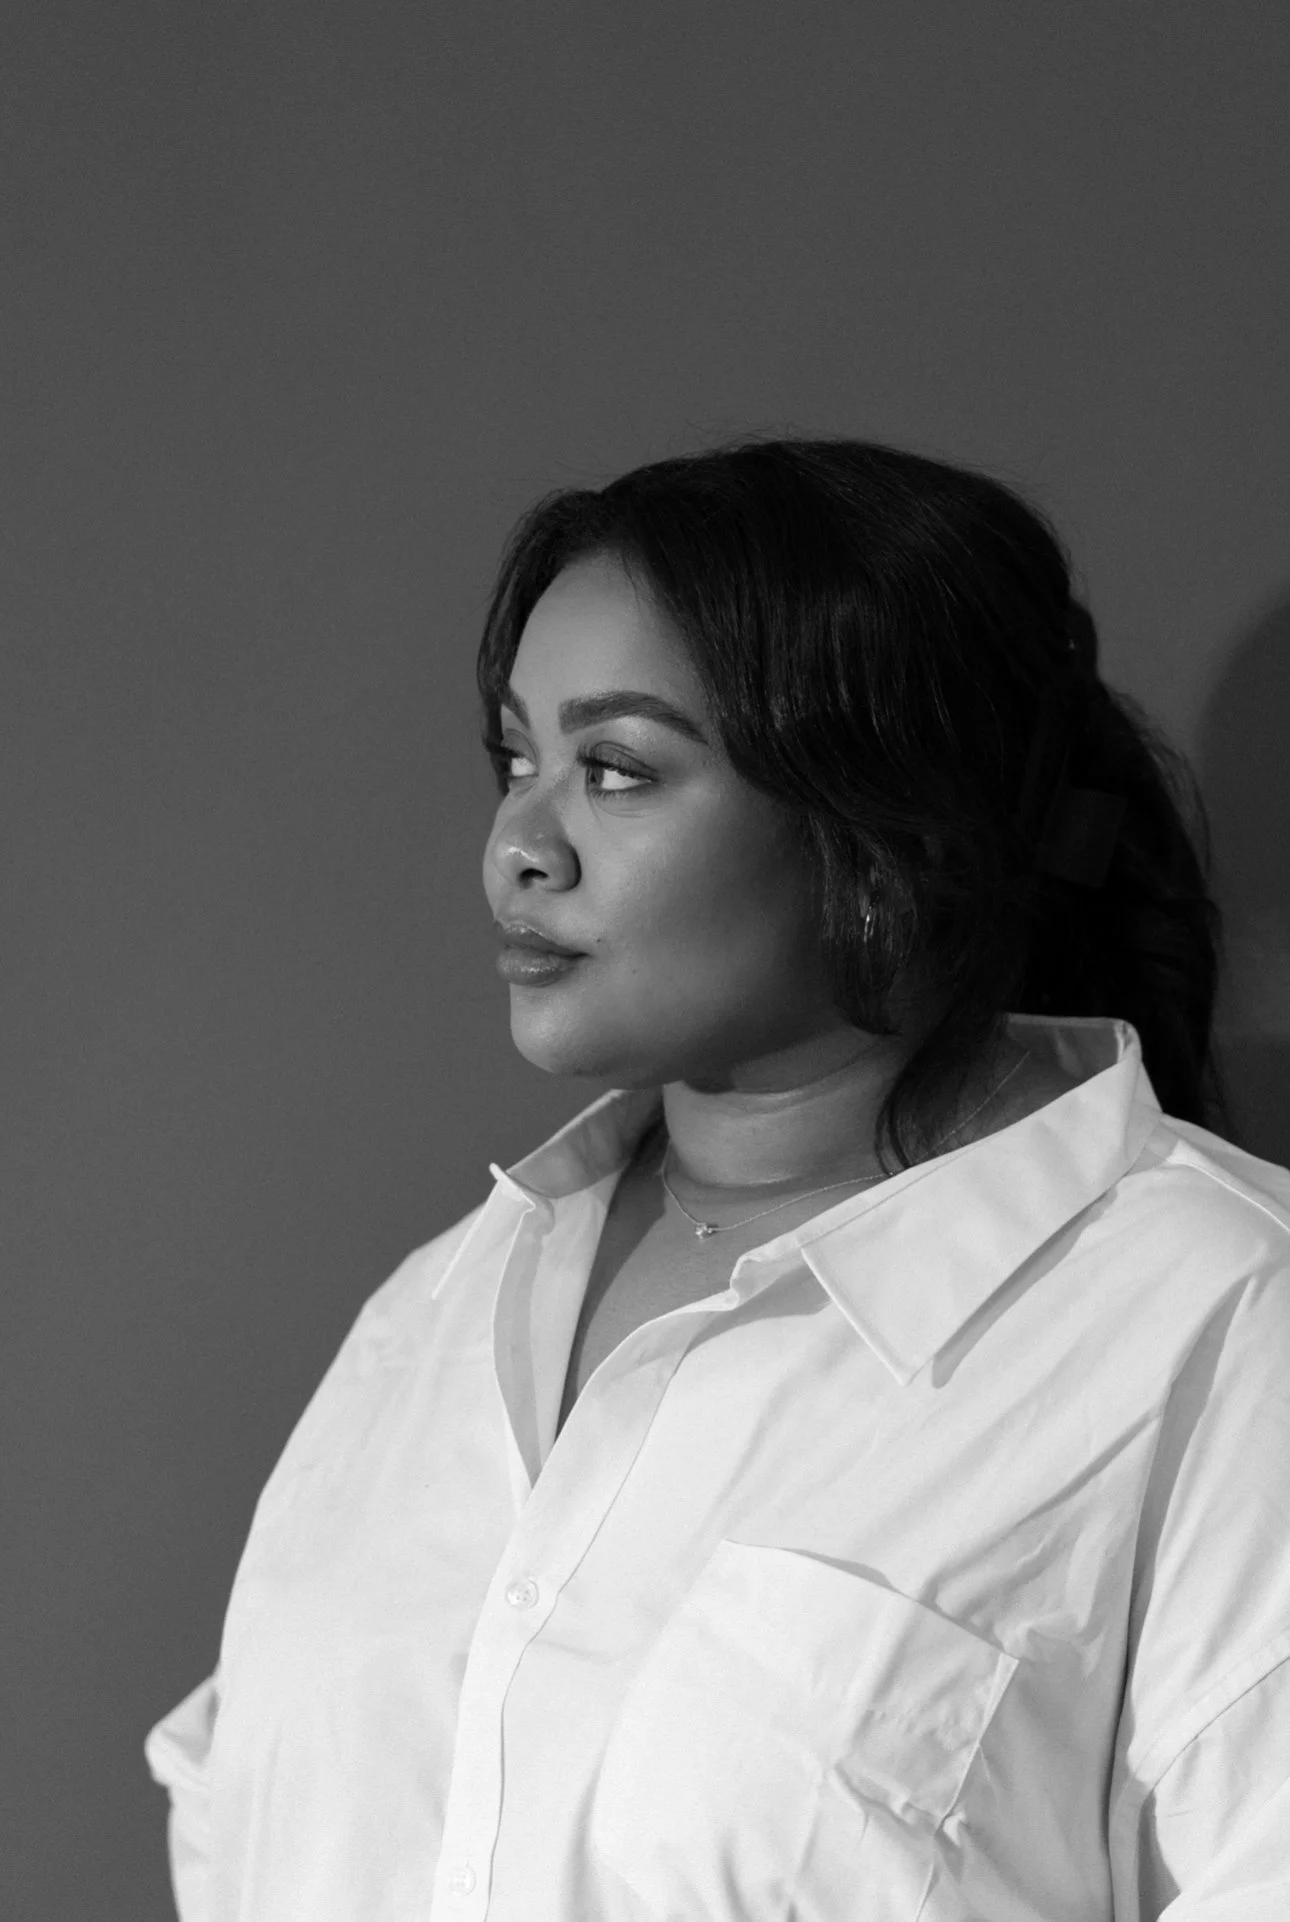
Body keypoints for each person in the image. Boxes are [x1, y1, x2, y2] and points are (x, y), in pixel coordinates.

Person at [145, 438, 1290, 1922]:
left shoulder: (1211, 1323)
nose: (516, 846)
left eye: (616, 769)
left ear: (886, 832)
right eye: (515, 759)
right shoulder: (439, 1314)